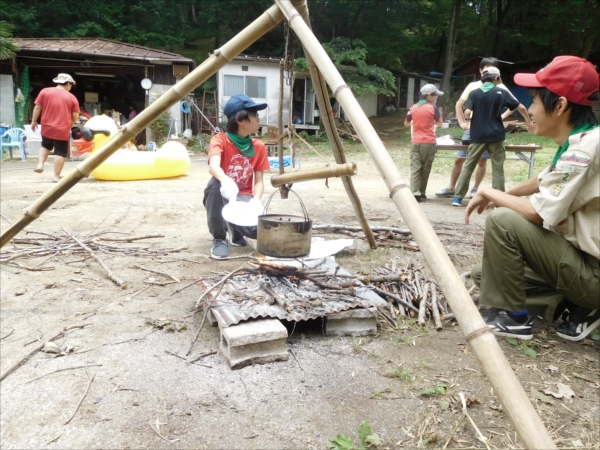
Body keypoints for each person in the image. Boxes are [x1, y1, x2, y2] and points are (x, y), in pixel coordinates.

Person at [466, 55, 599, 342]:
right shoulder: (580, 140)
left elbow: (539, 213)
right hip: (582, 262)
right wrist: (506, 193)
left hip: (594, 273)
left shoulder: (586, 150)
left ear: (560, 105)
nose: (529, 108)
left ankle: (515, 319)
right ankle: (575, 306)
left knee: (503, 220)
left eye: (536, 101)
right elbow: (544, 179)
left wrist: (493, 194)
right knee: (486, 275)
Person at [436, 57, 532, 199]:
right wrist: (463, 123)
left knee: (475, 163)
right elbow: (520, 106)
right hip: (486, 132)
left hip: (477, 132)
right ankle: (496, 198)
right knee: (470, 162)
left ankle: (465, 193)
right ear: (490, 75)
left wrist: (500, 116)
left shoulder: (487, 91)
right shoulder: (476, 87)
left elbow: (467, 110)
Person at [203, 94, 270, 258]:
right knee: (215, 185)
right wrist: (225, 180)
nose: (258, 120)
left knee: (255, 231)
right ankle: (219, 238)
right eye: (254, 115)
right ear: (240, 120)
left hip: (244, 198)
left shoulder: (258, 146)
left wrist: (256, 201)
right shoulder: (220, 140)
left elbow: (259, 181)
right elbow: (213, 166)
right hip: (223, 195)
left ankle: (236, 230)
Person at [451, 67, 521, 207]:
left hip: (478, 135)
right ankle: (499, 202)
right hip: (497, 135)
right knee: (497, 168)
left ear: (482, 80)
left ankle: (458, 198)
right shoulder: (501, 92)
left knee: (468, 166)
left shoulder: (475, 93)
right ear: (496, 79)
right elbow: (517, 106)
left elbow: (468, 111)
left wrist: (467, 119)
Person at [31, 73, 80, 182]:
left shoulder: (45, 91)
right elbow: (76, 115)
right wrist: (71, 123)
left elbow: (38, 107)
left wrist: (34, 121)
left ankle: (40, 164)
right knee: (60, 152)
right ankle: (56, 176)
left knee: (45, 145)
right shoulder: (71, 97)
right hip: (62, 128)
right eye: (71, 85)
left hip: (47, 126)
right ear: (67, 84)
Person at [404, 84, 443, 202]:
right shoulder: (433, 108)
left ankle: (414, 193)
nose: (436, 98)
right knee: (425, 168)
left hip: (415, 141)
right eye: (435, 95)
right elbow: (440, 123)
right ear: (429, 95)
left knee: (415, 168)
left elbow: (406, 123)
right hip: (428, 142)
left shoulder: (413, 107)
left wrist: (415, 123)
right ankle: (422, 193)